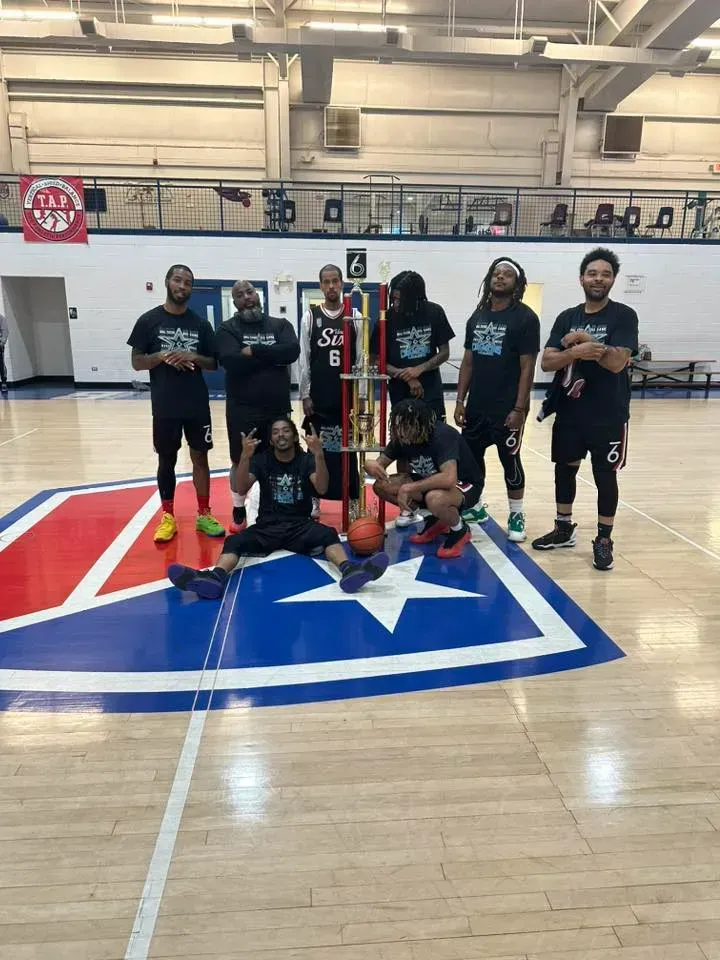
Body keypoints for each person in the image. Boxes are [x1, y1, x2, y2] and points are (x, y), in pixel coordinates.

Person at [168, 417, 389, 598]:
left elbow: (321, 487)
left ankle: (348, 569)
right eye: (275, 432)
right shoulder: (262, 460)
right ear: (271, 440)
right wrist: (245, 457)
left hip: (299, 525)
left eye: (285, 431)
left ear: (294, 436)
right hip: (267, 526)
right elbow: (240, 486)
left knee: (328, 534)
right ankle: (215, 578)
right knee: (234, 541)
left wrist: (319, 454)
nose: (280, 435)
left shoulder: (306, 460)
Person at [531, 247, 639, 571]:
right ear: (582, 278)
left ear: (613, 280)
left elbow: (619, 362)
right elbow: (547, 360)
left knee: (605, 476)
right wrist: (579, 351)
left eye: (605, 274)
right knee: (564, 470)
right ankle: (564, 528)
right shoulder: (567, 316)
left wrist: (591, 345)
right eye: (592, 273)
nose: (598, 279)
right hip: (570, 411)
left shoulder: (623, 316)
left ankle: (604, 539)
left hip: (609, 413)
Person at [128, 264, 224, 543]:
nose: (182, 286)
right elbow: (136, 362)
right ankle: (168, 516)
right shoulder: (149, 321)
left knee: (200, 456)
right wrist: (162, 355)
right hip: (165, 404)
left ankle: (204, 513)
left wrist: (192, 356)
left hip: (196, 403)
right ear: (167, 282)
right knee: (166, 458)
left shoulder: (201, 324)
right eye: (178, 281)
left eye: (188, 283)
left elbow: (213, 363)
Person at [454, 257, 540, 542]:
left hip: (508, 408)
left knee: (510, 461)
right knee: (470, 460)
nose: (500, 277)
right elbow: (467, 362)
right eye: (496, 273)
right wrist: (459, 401)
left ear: (517, 283)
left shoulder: (526, 318)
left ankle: (516, 513)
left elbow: (528, 367)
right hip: (477, 405)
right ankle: (476, 506)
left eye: (507, 275)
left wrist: (520, 408)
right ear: (489, 279)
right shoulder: (476, 318)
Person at [215, 280, 300, 533]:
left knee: (283, 457)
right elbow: (231, 360)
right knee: (240, 459)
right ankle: (239, 508)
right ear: (234, 302)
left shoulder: (280, 325)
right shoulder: (227, 329)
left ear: (258, 295)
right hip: (243, 409)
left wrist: (254, 350)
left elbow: (291, 351)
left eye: (249, 292)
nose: (246, 297)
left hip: (277, 409)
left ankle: (280, 506)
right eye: (239, 295)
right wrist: (271, 355)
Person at [373, 270, 455, 527]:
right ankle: (407, 506)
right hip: (400, 393)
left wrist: (420, 370)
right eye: (393, 299)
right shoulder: (386, 320)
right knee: (404, 447)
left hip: (430, 392)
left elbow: (444, 353)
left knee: (433, 444)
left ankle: (436, 500)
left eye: (399, 299)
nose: (395, 304)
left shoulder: (434, 312)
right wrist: (406, 376)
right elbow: (377, 361)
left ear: (416, 298)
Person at [366, 399, 483, 559]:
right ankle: (435, 519)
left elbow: (449, 478)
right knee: (382, 486)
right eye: (399, 425)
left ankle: (460, 530)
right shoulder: (403, 436)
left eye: (407, 426)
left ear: (421, 425)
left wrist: (408, 488)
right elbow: (379, 466)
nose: (401, 431)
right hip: (432, 482)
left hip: (465, 484)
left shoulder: (443, 435)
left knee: (434, 498)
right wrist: (369, 465)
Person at [299, 264, 362, 519]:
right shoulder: (311, 316)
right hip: (320, 395)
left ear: (343, 283)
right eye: (326, 282)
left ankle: (354, 498)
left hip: (347, 396)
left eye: (335, 281)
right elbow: (304, 358)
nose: (331, 286)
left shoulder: (355, 315)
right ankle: (314, 500)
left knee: (349, 449)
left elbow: (360, 358)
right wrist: (304, 394)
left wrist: (363, 395)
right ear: (320, 286)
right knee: (316, 450)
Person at [0, 310, 8, 395]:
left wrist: (2, 342)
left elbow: (5, 330)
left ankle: (4, 383)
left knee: (1, 364)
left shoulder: (1, 318)